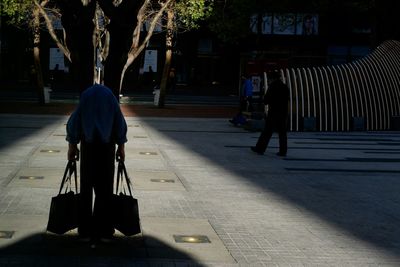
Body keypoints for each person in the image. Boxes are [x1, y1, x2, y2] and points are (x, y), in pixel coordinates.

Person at [66, 84, 127, 240]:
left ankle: (85, 228)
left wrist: (72, 146)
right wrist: (121, 147)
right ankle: (104, 228)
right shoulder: (110, 97)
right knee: (105, 188)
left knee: (86, 187)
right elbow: (120, 123)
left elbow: (74, 122)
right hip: (107, 148)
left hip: (88, 147)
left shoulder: (86, 96)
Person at [251, 71, 289, 156]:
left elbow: (266, 100)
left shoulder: (272, 87)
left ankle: (260, 148)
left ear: (272, 78)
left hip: (273, 113)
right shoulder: (284, 87)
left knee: (267, 132)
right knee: (282, 133)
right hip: (283, 113)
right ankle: (283, 151)